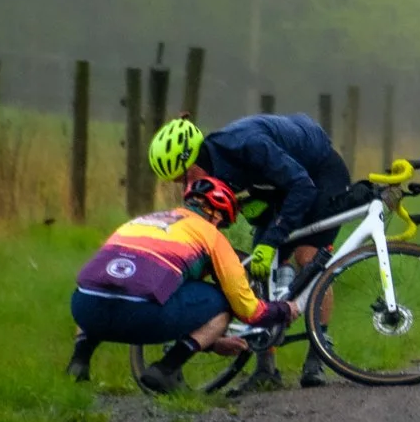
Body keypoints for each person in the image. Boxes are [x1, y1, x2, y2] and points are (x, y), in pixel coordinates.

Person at [148, 111, 353, 389]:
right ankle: (265, 369)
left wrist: (272, 239)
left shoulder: (247, 145)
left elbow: (301, 186)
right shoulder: (210, 170)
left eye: (184, 177)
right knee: (259, 269)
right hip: (285, 183)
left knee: (308, 256)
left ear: (195, 159)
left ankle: (317, 356)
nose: (186, 186)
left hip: (320, 173)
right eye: (177, 183)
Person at [65, 175, 294, 394]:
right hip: (142, 316)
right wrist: (283, 310)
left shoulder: (138, 222)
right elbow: (248, 309)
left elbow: (102, 277)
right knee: (225, 301)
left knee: (101, 285)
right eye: (223, 223)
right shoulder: (211, 235)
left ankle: (79, 362)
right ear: (215, 215)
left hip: (84, 308)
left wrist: (213, 344)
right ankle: (166, 369)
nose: (220, 228)